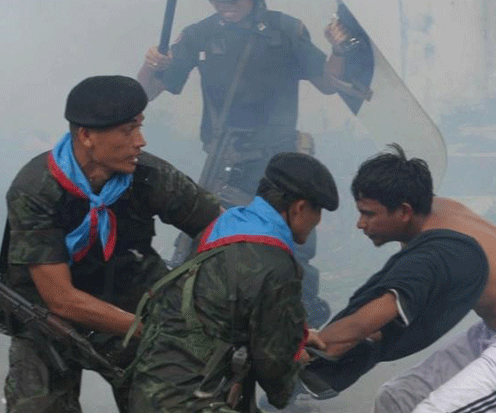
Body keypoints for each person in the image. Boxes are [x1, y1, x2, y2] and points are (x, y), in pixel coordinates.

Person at [0, 75, 222, 413]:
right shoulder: (36, 189)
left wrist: (197, 296)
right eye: (127, 131)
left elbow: (225, 229)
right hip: (49, 320)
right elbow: (61, 299)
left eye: (139, 127)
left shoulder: (148, 175)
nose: (139, 141)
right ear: (86, 136)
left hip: (133, 305)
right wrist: (154, 330)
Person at [302, 144, 496, 412]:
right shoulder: (435, 211)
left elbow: (375, 315)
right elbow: (392, 316)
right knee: (396, 399)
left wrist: (312, 345)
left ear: (404, 211)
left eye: (369, 214)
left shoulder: (436, 252)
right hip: (491, 334)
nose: (361, 223)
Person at [138, 0, 353, 328]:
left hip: (277, 166)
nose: (225, 5)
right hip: (225, 164)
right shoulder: (200, 35)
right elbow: (146, 91)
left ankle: (299, 334)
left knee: (293, 254)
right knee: (202, 250)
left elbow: (327, 83)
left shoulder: (285, 29)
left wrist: (338, 50)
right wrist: (152, 64)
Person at [128, 152, 339, 413]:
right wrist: (293, 360)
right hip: (191, 401)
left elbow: (231, 309)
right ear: (300, 207)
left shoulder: (226, 226)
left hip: (149, 391)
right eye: (317, 212)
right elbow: (274, 374)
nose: (316, 223)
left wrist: (296, 334)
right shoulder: (275, 261)